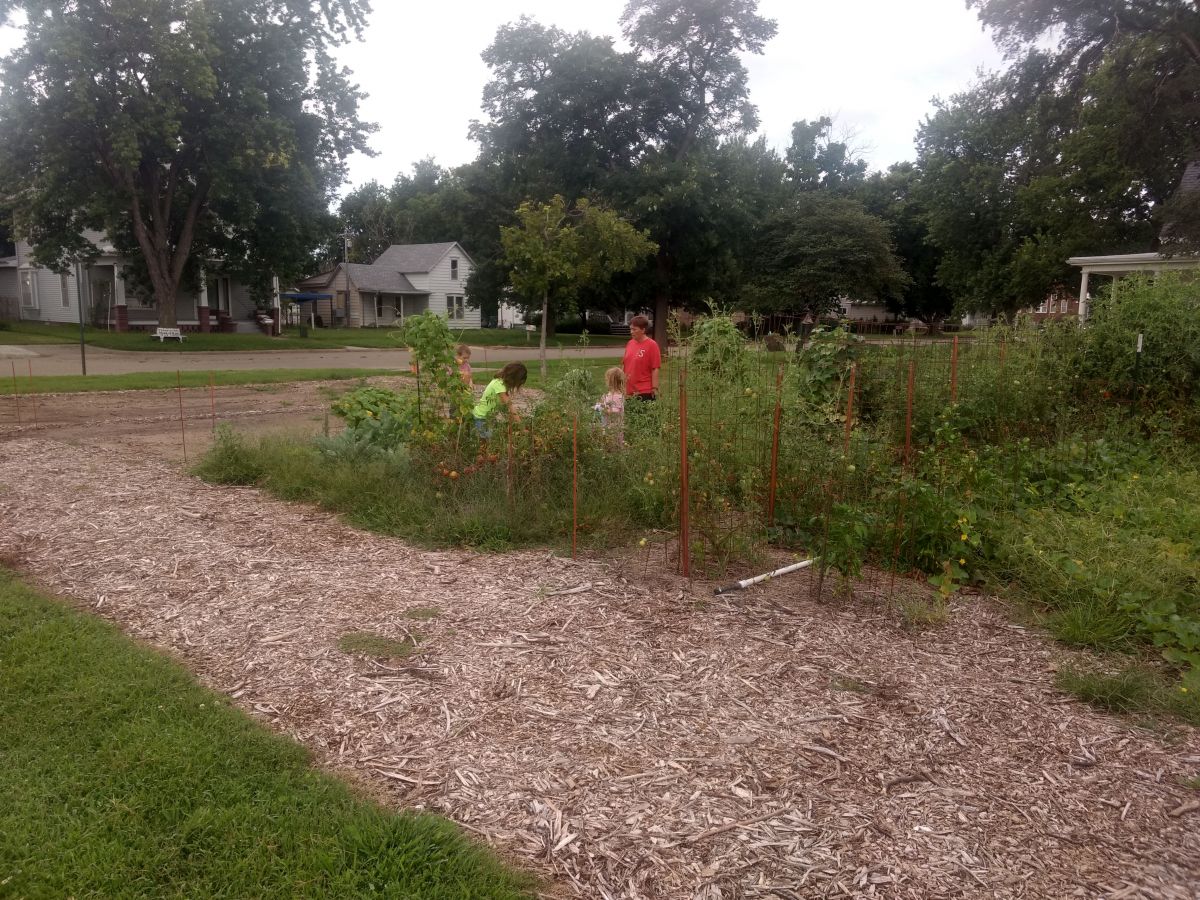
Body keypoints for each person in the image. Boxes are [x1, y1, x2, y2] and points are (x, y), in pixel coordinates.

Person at [472, 361, 527, 437]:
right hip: (482, 418)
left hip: (489, 418)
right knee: (487, 442)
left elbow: (505, 406)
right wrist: (522, 427)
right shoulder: (499, 385)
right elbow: (510, 407)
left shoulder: (501, 383)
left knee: (492, 440)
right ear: (514, 378)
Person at [622, 314, 660, 401]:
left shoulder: (652, 345)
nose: (631, 332)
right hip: (628, 391)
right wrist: (621, 385)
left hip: (644, 391)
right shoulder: (630, 343)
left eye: (634, 329)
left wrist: (654, 388)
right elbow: (624, 365)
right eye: (631, 329)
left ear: (643, 330)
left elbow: (655, 368)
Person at [594, 367, 626, 446]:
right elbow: (605, 403)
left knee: (614, 447)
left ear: (612, 382)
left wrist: (603, 409)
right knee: (607, 446)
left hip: (614, 429)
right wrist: (600, 404)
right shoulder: (609, 394)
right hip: (607, 426)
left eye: (607, 379)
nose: (606, 381)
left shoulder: (617, 396)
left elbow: (615, 411)